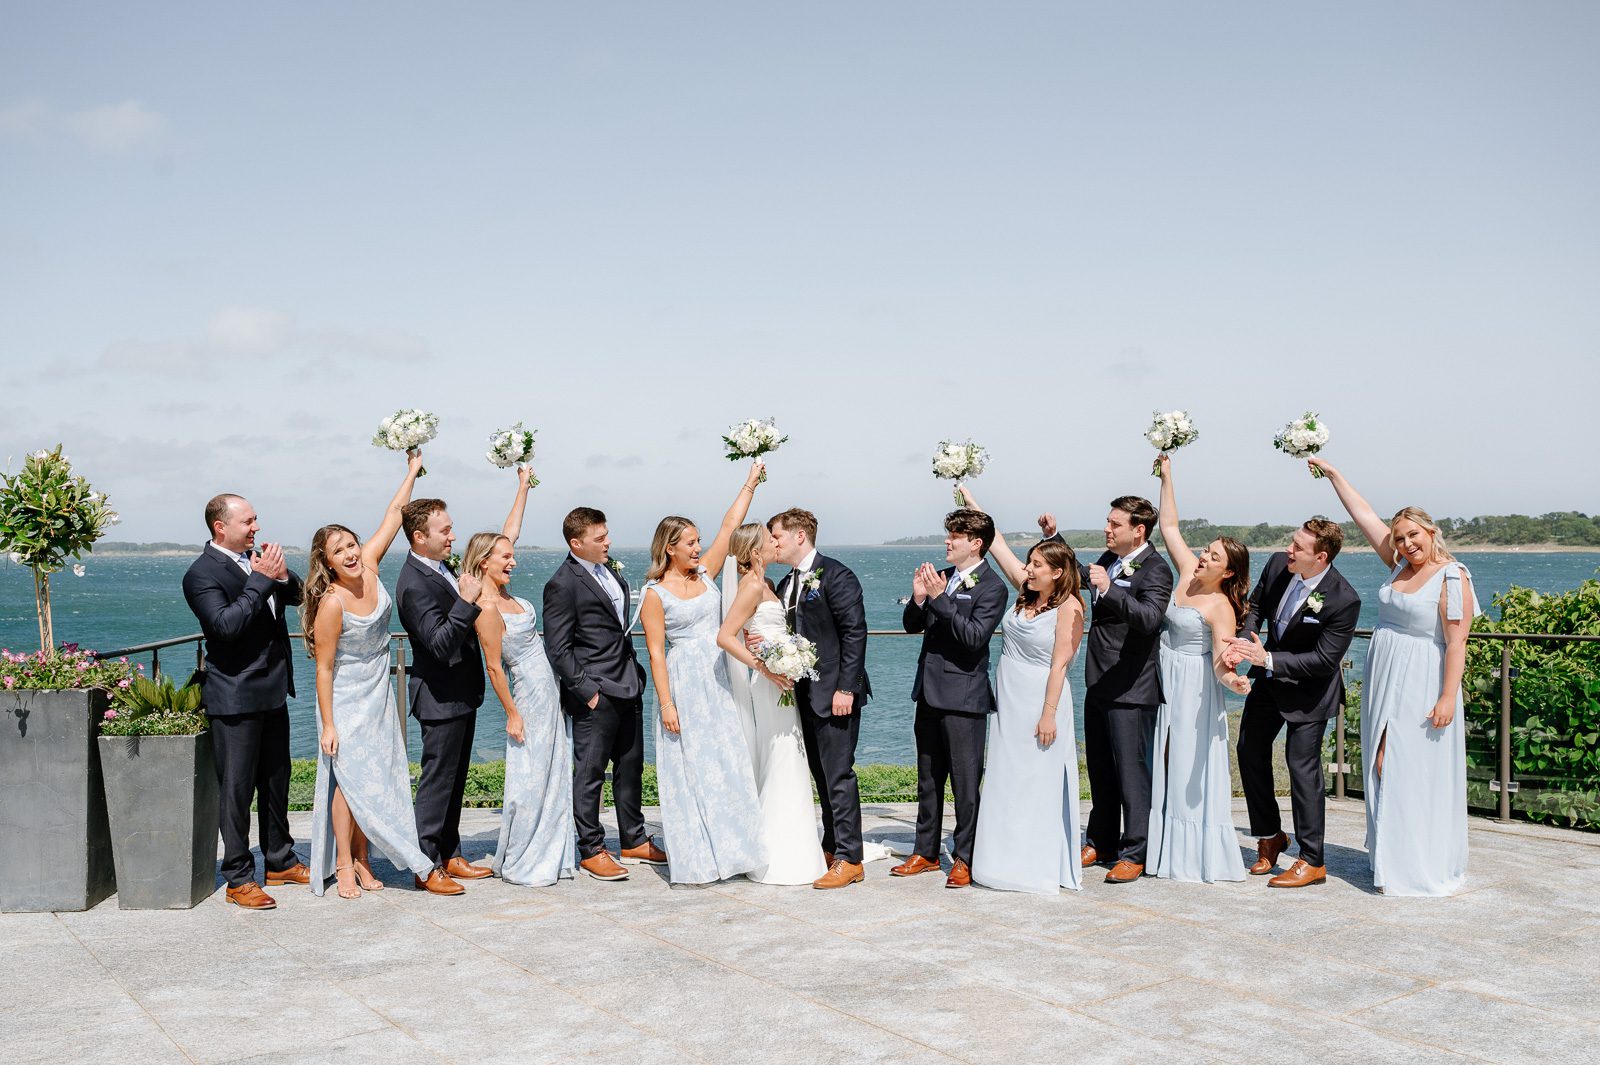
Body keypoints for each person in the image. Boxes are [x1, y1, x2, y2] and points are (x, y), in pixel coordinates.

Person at [1308, 457, 1476, 896]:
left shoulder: (1452, 577)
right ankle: (1391, 860)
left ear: (1432, 532)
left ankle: (1416, 863)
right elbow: (1364, 515)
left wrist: (1446, 698)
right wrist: (1335, 476)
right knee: (1381, 765)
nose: (1405, 544)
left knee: (1404, 766)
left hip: (1422, 679)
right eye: (1399, 538)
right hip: (1386, 677)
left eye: (1413, 535)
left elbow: (1456, 644)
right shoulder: (1398, 564)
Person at [303, 450, 435, 898]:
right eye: (338, 551)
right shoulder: (332, 603)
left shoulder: (374, 566)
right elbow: (322, 669)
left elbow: (395, 516)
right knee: (350, 779)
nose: (350, 553)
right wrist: (329, 724)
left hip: (379, 687)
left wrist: (412, 470)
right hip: (345, 695)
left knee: (376, 776)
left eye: (351, 544)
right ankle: (342, 863)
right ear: (328, 562)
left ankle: (363, 859)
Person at [641, 462, 767, 885]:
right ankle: (699, 857)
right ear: (670, 548)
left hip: (719, 680)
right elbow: (657, 654)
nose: (698, 549)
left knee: (726, 763)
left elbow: (730, 526)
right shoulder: (654, 595)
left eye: (698, 541)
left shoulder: (708, 573)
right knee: (691, 769)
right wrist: (666, 704)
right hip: (683, 684)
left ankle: (736, 851)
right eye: (690, 543)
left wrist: (750, 481)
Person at [1224, 502, 1360, 889]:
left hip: (1310, 693)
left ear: (1320, 557)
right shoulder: (1276, 567)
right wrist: (1245, 638)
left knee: (1302, 769)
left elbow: (1323, 660)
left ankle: (1312, 860)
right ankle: (1270, 836)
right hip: (1269, 681)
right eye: (1291, 543)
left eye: (1297, 548)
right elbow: (1257, 608)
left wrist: (1267, 657)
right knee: (1248, 749)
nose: (1289, 550)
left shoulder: (1344, 599)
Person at [183, 493, 308, 910]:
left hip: (273, 690)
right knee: (236, 791)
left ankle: (280, 860)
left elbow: (296, 595)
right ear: (221, 526)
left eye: (256, 520)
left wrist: (282, 576)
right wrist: (261, 580)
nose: (256, 527)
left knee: (276, 781)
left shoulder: (258, 559)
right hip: (234, 696)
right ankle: (238, 876)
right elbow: (225, 627)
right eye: (248, 522)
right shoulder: (201, 574)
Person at [1043, 494, 1174, 884]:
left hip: (1132, 686)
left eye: (1115, 524)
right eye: (1107, 522)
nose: (1107, 529)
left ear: (1139, 530)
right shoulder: (1109, 562)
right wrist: (1056, 537)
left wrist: (1111, 591)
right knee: (1100, 768)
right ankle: (1101, 840)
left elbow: (1150, 619)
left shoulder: (1156, 570)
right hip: (1099, 681)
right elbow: (1085, 576)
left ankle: (1136, 850)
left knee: (1132, 772)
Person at [962, 488, 1087, 894]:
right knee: (1006, 776)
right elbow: (996, 542)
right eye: (1029, 563)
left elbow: (1059, 665)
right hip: (1009, 698)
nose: (1028, 569)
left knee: (1036, 781)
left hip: (1040, 699)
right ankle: (999, 860)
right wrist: (971, 500)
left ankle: (1034, 864)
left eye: (1036, 564)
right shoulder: (1026, 592)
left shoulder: (1070, 607)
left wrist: (1048, 713)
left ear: (1056, 572)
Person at [542, 507, 666, 880]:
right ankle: (591, 848)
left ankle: (633, 838)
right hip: (595, 693)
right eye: (600, 538)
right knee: (591, 772)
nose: (608, 542)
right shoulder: (561, 583)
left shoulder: (609, 570)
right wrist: (587, 692)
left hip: (628, 683)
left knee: (630, 766)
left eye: (606, 535)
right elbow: (558, 647)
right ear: (576, 543)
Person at [1145, 454, 1252, 884]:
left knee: (1184, 760)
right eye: (1206, 551)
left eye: (1213, 556)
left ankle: (1188, 853)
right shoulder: (1187, 573)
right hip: (1162, 673)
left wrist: (1236, 681)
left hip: (1194, 686)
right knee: (1160, 758)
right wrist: (1167, 477)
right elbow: (1169, 526)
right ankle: (1157, 844)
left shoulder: (1222, 607)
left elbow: (1222, 663)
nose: (1203, 557)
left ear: (1228, 572)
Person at [466, 466, 576, 887]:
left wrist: (523, 486)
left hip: (549, 690)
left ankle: (554, 845)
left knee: (552, 769)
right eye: (505, 558)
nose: (513, 560)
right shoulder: (487, 608)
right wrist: (511, 712)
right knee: (530, 779)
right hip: (527, 696)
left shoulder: (507, 595)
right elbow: (494, 666)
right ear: (483, 563)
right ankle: (526, 854)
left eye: (511, 555)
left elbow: (509, 531)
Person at [893, 508, 1007, 888]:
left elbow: (974, 638)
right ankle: (924, 852)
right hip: (927, 693)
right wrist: (920, 598)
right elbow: (913, 626)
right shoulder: (940, 579)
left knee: (964, 783)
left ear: (975, 544)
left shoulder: (993, 587)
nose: (947, 541)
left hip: (964, 698)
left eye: (954, 536)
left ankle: (965, 856)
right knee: (928, 779)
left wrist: (941, 600)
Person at [715, 523, 827, 885]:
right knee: (781, 758)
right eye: (769, 540)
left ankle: (792, 848)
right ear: (753, 553)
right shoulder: (750, 586)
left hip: (782, 681)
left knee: (790, 760)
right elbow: (725, 636)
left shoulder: (767, 585)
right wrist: (764, 666)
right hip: (769, 685)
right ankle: (778, 856)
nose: (775, 543)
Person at [769, 507, 873, 889]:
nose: (772, 544)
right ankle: (831, 848)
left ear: (800, 536)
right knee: (821, 777)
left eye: (776, 536)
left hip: (835, 694)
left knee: (839, 775)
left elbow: (854, 633)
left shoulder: (837, 575)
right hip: (804, 695)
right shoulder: (786, 583)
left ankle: (851, 858)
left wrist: (846, 688)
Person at [395, 497, 491, 895]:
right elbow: (439, 644)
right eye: (445, 530)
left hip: (460, 693)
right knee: (437, 783)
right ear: (420, 537)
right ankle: (425, 864)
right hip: (439, 696)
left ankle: (450, 853)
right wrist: (467, 600)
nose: (453, 535)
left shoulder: (441, 569)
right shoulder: (414, 584)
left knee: (455, 780)